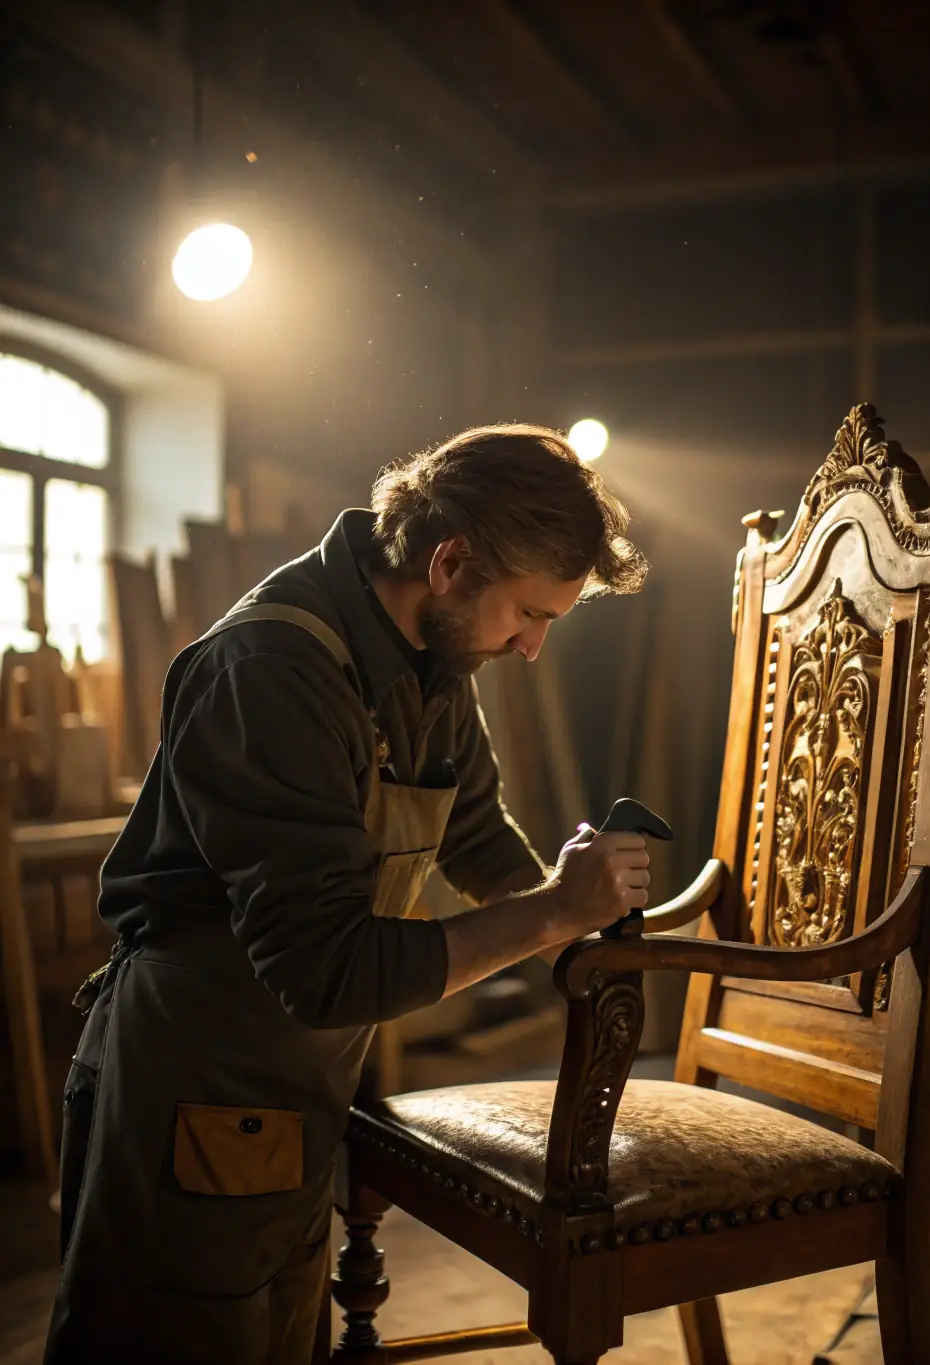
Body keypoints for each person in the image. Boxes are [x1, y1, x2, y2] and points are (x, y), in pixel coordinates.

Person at [45, 423, 650, 1365]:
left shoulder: (433, 656)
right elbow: (325, 970)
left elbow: (475, 832)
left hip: (300, 1090)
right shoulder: (274, 671)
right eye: (530, 614)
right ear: (449, 561)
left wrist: (567, 915)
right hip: (195, 1088)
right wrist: (551, 913)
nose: (531, 647)